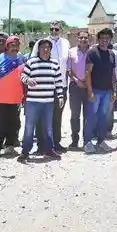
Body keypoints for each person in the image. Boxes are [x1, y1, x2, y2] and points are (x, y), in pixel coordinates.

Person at [20, 38, 66, 162]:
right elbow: (23, 76)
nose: (45, 50)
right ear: (38, 49)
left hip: (48, 103)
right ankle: (25, 152)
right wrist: (28, 80)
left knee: (48, 128)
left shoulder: (55, 63)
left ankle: (49, 151)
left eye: (48, 48)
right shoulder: (31, 62)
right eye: (43, 47)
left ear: (50, 50)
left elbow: (58, 82)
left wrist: (60, 96)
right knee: (29, 127)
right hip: (33, 102)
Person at [30, 22, 70, 152]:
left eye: (56, 29)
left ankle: (55, 143)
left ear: (61, 30)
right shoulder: (41, 43)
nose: (54, 31)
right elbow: (33, 61)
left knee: (57, 116)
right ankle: (41, 145)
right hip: (44, 86)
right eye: (51, 29)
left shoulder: (66, 43)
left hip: (61, 85)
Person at [0, 36, 25, 157]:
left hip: (15, 99)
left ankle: (10, 146)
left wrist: (24, 96)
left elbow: (24, 79)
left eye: (17, 45)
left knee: (14, 124)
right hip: (1, 99)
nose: (15, 48)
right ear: (7, 46)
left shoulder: (22, 59)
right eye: (12, 45)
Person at [84, 28, 116, 154]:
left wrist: (114, 91)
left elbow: (113, 74)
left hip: (107, 91)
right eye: (102, 38)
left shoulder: (111, 54)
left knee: (104, 117)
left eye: (107, 39)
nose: (104, 41)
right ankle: (87, 142)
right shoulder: (92, 52)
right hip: (96, 91)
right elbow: (88, 73)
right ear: (98, 39)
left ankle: (101, 141)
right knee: (91, 117)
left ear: (110, 40)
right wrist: (90, 91)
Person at [67, 31, 91, 150]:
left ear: (89, 39)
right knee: (75, 115)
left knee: (88, 115)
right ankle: (74, 140)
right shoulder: (71, 52)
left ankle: (87, 140)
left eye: (85, 37)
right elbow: (69, 71)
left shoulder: (92, 52)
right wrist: (77, 81)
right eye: (81, 37)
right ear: (77, 39)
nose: (83, 39)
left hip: (89, 86)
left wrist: (87, 83)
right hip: (75, 87)